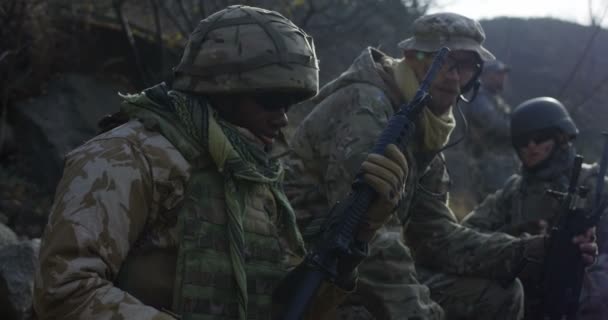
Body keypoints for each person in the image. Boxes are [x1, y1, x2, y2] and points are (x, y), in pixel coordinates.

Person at [32, 6, 407, 320]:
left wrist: (357, 233)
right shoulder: (127, 156)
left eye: (290, 103)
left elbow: (284, 309)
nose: (282, 118)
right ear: (221, 89)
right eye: (271, 98)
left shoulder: (254, 177)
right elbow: (64, 291)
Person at [283, 12, 598, 320]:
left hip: (350, 266)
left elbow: (436, 237)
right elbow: (369, 241)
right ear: (410, 56)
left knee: (500, 295)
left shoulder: (423, 123)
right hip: (301, 268)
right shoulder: (369, 110)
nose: (453, 75)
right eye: (440, 59)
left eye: (466, 64)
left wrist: (530, 251)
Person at [461, 96, 608, 319]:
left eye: (539, 138)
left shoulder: (593, 185)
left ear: (560, 136)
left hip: (584, 287)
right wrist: (515, 240)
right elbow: (467, 234)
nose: (530, 147)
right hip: (527, 290)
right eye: (522, 141)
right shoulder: (514, 190)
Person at [465, 59, 519, 203]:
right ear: (486, 75)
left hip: (502, 166)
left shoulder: (495, 98)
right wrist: (521, 127)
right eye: (498, 74)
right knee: (492, 211)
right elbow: (496, 126)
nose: (503, 78)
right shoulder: (480, 98)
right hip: (488, 167)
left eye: (503, 74)